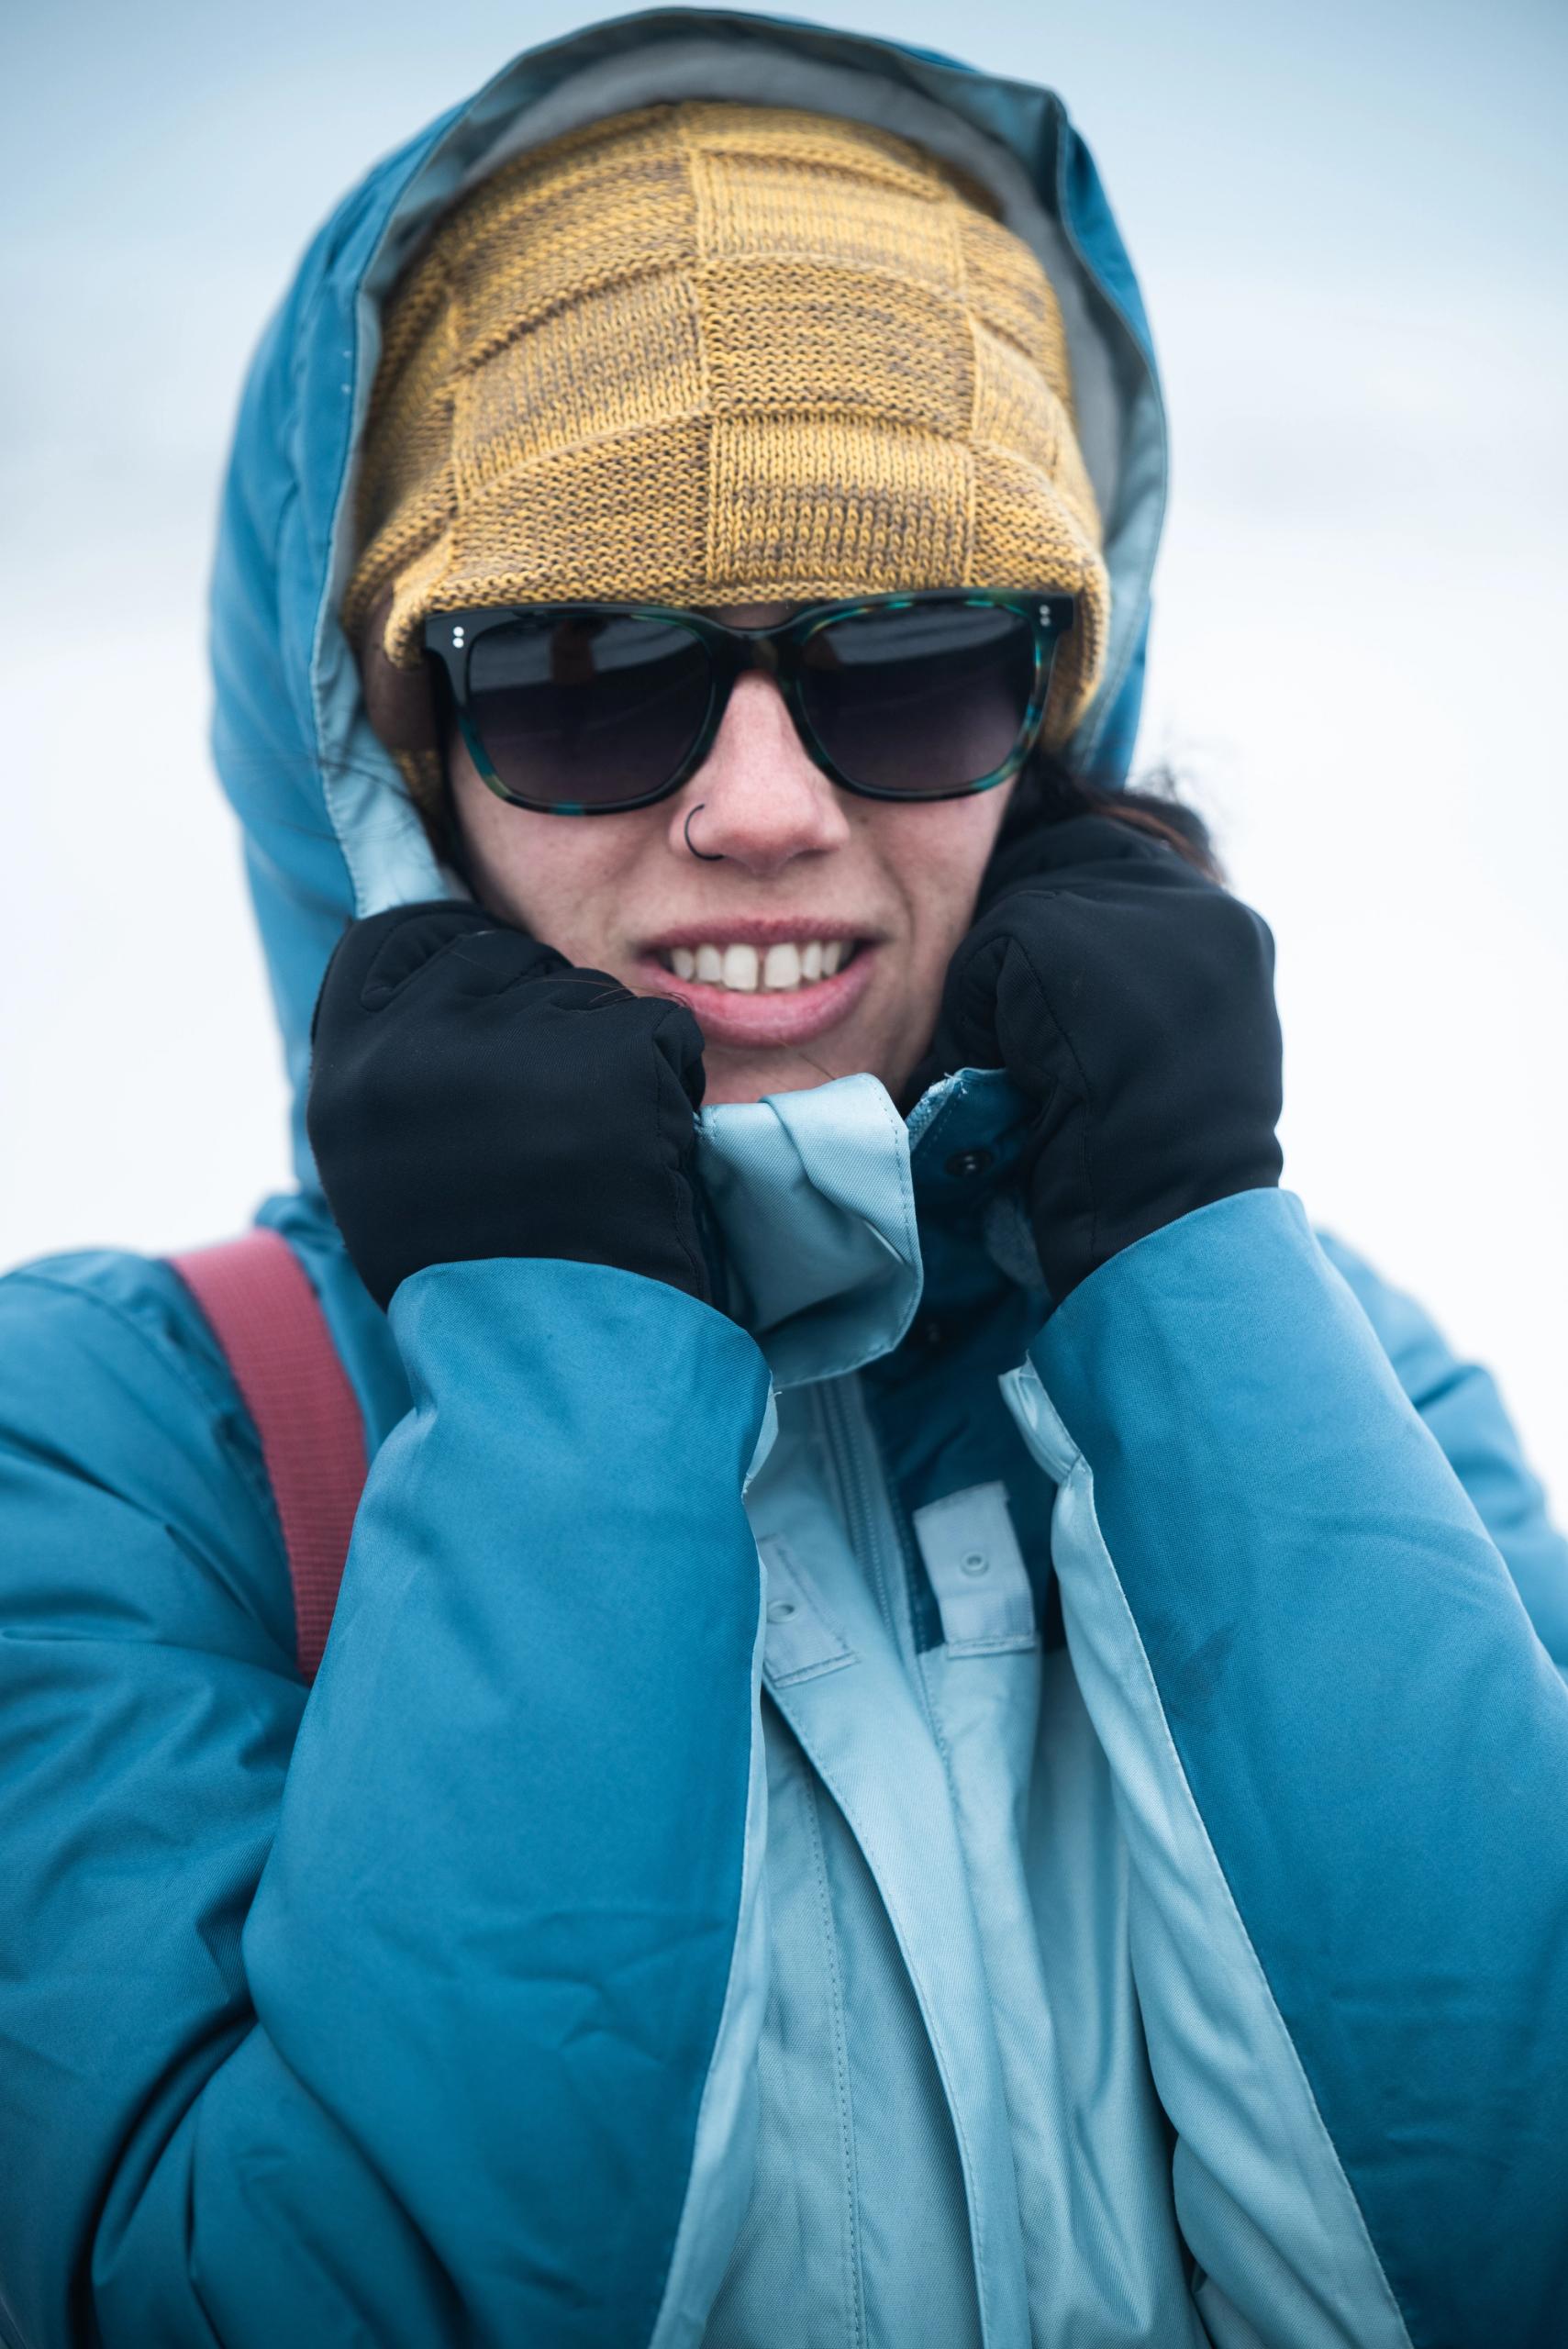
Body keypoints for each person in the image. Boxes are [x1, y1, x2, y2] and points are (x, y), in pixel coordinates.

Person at [2, 15, 1565, 2349]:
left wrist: (1188, 1286)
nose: (758, 806)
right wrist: (555, 1365)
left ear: (1047, 713)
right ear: (390, 750)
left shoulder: (1350, 1374)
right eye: (588, 664)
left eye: (914, 650)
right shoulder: (124, 1451)